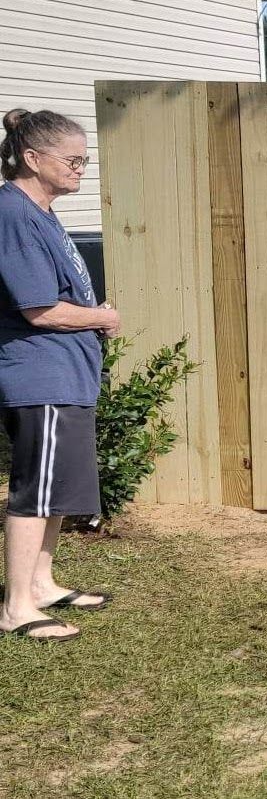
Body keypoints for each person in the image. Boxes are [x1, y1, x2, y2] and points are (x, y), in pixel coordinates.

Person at [0, 108, 120, 643]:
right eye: (72, 160)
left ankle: (40, 584)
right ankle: (16, 607)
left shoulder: (39, 212)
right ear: (32, 158)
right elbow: (38, 308)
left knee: (54, 488)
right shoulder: (13, 214)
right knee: (35, 490)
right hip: (39, 374)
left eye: (83, 161)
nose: (79, 169)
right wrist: (101, 318)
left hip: (64, 373)